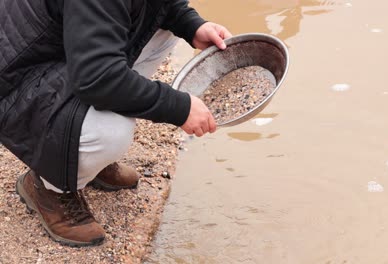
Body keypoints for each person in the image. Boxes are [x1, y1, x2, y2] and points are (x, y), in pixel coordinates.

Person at [0, 0, 232, 247]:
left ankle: (80, 154)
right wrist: (180, 108)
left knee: (165, 33)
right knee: (112, 134)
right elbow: (97, 79)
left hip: (64, 54)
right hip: (15, 81)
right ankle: (49, 187)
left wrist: (193, 25)